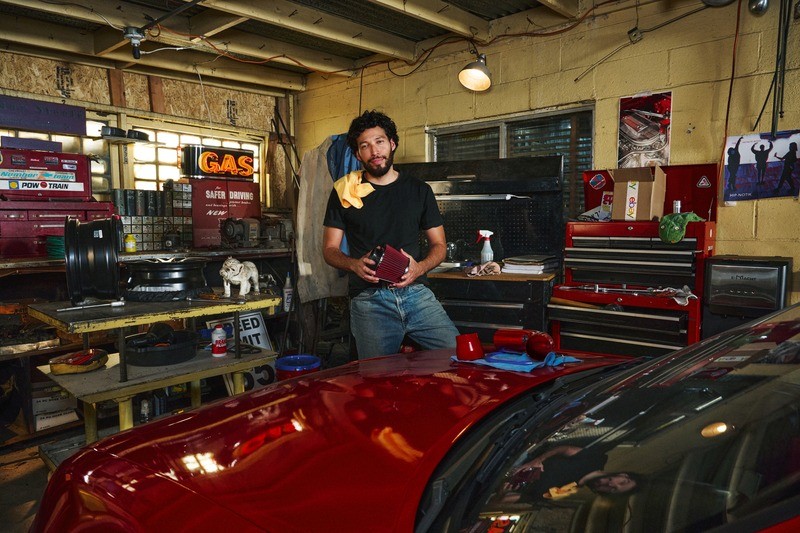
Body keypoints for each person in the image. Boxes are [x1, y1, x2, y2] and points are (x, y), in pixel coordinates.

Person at [322, 110, 459, 359]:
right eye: (365, 146)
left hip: (417, 293)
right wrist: (353, 264)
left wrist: (419, 268)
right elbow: (329, 250)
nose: (374, 151)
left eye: (380, 141)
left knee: (458, 357)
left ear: (392, 143)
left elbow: (439, 245)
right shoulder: (344, 192)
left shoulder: (419, 191)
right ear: (357, 154)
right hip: (369, 299)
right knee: (376, 374)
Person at [500, 444, 641, 503]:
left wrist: (502, 493)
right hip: (517, 457)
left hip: (498, 480)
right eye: (622, 482)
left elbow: (523, 498)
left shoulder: (567, 490)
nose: (612, 485)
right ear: (624, 475)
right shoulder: (595, 460)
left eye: (614, 490)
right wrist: (538, 460)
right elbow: (564, 449)